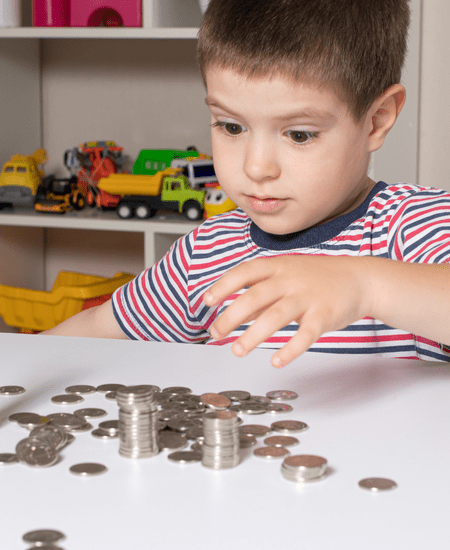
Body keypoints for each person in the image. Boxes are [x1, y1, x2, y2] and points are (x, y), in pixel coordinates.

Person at [42, 0, 450, 368]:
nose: (256, 167)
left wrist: (366, 285)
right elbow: (98, 330)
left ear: (376, 120)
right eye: (232, 126)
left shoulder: (413, 227)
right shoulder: (204, 253)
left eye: (299, 134)